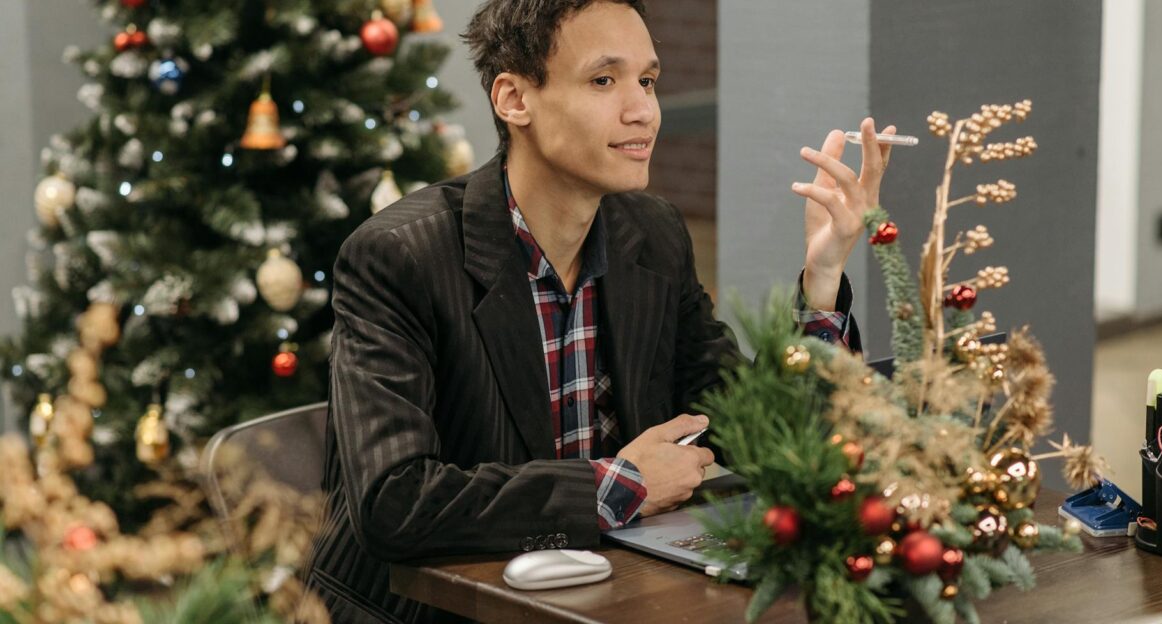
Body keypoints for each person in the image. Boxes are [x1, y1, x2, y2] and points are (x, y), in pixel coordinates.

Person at [304, 1, 895, 621]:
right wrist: (620, 485)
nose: (643, 110)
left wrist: (823, 278)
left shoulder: (652, 235)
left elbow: (765, 439)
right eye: (603, 81)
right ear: (514, 99)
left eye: (648, 81)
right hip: (434, 609)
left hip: (601, 596)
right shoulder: (399, 256)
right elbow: (395, 503)